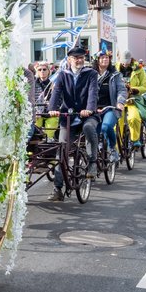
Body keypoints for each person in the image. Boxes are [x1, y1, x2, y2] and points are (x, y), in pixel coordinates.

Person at [47, 45, 99, 202]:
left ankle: (92, 163)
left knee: (89, 128)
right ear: (69, 60)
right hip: (68, 117)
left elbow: (92, 92)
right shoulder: (63, 74)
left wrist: (89, 109)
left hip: (86, 115)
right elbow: (56, 93)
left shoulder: (91, 73)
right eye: (76, 58)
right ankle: (57, 189)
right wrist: (53, 109)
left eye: (81, 57)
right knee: (61, 152)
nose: (79, 60)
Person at [93, 51, 126, 163]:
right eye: (102, 58)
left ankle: (112, 148)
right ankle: (95, 151)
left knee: (106, 127)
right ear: (97, 60)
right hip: (93, 109)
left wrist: (120, 102)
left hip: (110, 107)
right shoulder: (91, 74)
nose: (105, 60)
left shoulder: (115, 75)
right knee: (92, 131)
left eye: (107, 58)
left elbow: (122, 90)